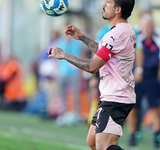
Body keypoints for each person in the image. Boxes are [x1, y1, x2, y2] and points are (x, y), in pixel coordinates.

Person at [47, 0, 136, 149]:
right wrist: (82, 37)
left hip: (116, 97)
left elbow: (92, 66)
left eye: (109, 2)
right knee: (92, 142)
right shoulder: (125, 30)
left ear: (117, 10)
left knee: (103, 147)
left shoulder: (116, 34)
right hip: (115, 95)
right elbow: (104, 52)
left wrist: (64, 55)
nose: (104, 4)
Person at [126, 14, 160, 148]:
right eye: (145, 26)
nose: (147, 28)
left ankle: (157, 136)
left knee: (155, 108)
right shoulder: (136, 40)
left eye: (149, 26)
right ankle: (133, 135)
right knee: (134, 109)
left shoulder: (159, 40)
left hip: (152, 78)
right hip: (138, 78)